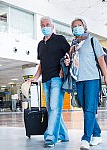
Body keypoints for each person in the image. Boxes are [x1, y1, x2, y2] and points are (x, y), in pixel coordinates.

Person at [65, 18, 107, 150]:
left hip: (92, 79)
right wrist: (68, 62)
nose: (77, 27)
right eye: (74, 26)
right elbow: (72, 63)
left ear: (84, 27)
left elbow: (101, 60)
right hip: (79, 80)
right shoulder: (73, 46)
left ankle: (86, 138)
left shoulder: (92, 40)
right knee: (86, 109)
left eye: (79, 25)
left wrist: (105, 77)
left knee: (90, 109)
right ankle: (97, 133)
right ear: (72, 30)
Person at [29, 16, 70, 148]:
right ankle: (63, 135)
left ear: (52, 26)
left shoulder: (60, 39)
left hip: (57, 79)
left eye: (47, 24)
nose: (45, 27)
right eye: (42, 25)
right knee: (51, 109)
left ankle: (51, 137)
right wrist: (35, 77)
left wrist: (65, 66)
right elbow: (41, 63)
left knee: (54, 107)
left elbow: (70, 54)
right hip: (45, 80)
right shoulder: (40, 44)